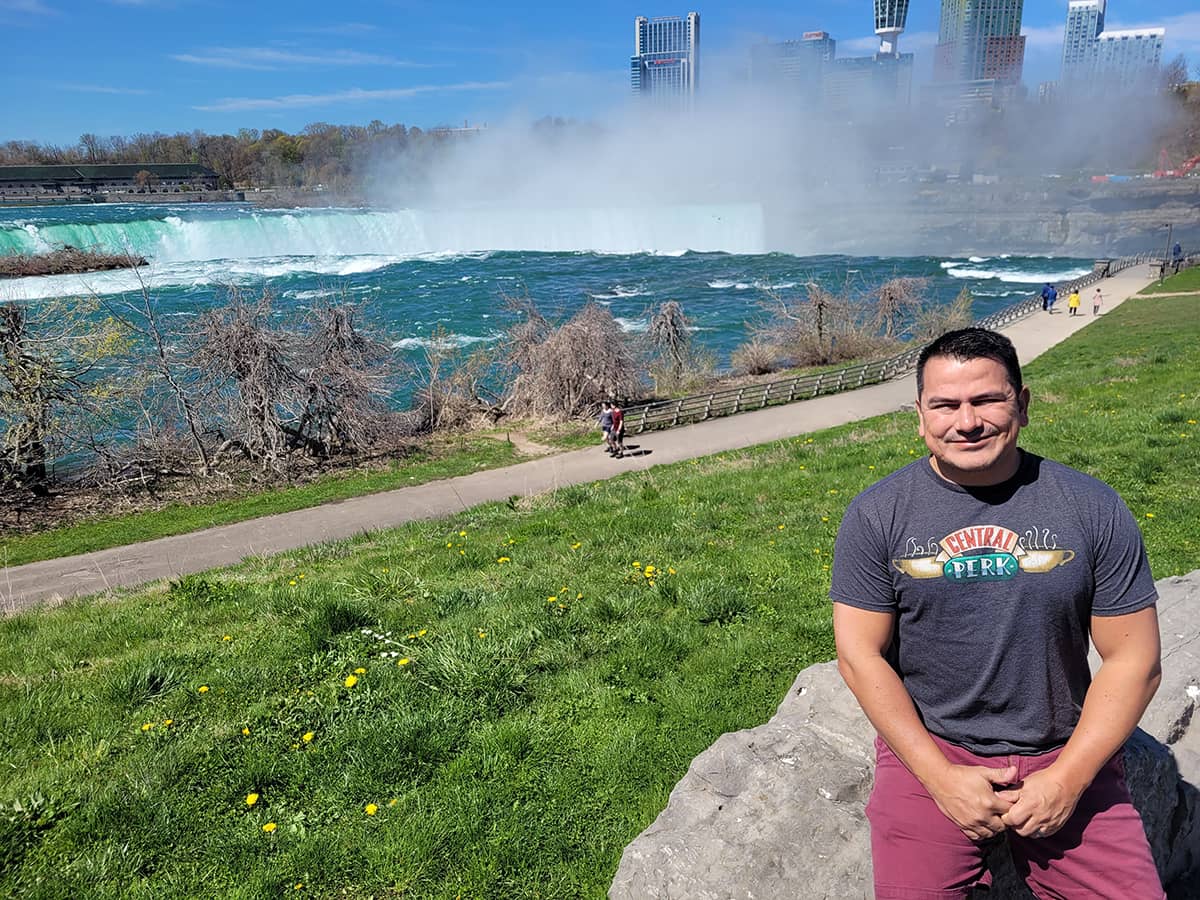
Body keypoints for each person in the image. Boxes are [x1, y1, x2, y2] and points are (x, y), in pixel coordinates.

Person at [830, 327, 1163, 899]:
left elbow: (1135, 657)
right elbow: (859, 654)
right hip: (934, 749)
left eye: (987, 400)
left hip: (1064, 748)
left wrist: (1068, 779)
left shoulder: (1091, 507)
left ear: (1023, 404)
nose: (967, 422)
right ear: (919, 415)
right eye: (945, 405)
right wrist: (940, 779)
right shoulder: (876, 515)